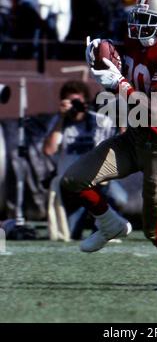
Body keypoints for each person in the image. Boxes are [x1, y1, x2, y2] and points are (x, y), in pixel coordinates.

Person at [61, 0, 157, 293]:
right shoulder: (136, 41)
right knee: (74, 179)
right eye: (138, 18)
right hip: (134, 136)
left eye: (148, 21)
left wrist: (118, 83)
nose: (138, 27)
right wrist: (101, 57)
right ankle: (109, 223)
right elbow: (116, 67)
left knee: (155, 229)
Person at [43, 80, 128, 240]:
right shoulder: (59, 122)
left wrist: (121, 119)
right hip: (70, 186)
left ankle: (102, 225)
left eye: (78, 101)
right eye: (71, 101)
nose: (75, 106)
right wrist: (62, 118)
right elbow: (49, 150)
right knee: (70, 234)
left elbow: (122, 144)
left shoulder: (100, 121)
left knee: (119, 197)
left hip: (98, 182)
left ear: (86, 102)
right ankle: (90, 219)